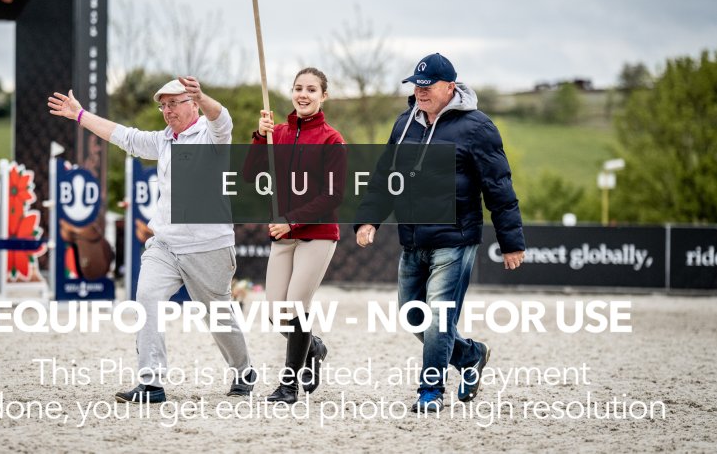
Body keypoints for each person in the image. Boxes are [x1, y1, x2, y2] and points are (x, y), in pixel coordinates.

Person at [48, 76, 255, 404]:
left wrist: (203, 96)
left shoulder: (212, 135)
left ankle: (244, 370)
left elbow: (221, 117)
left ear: (193, 104)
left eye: (174, 104)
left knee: (217, 316)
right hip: (165, 244)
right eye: (163, 106)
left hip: (209, 245)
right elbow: (123, 136)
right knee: (146, 296)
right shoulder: (163, 140)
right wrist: (80, 115)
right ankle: (152, 383)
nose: (167, 111)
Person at [354, 53, 526, 413]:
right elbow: (386, 177)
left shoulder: (477, 128)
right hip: (412, 238)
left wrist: (511, 241)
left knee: (438, 317)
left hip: (455, 238)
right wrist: (369, 219)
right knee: (412, 314)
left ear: (450, 87)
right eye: (416, 85)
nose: (420, 91)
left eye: (428, 86)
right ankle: (470, 354)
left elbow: (499, 187)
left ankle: (430, 391)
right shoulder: (404, 124)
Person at [244, 67, 346, 404]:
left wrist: (292, 221)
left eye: (312, 89)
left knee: (296, 306)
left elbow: (333, 195)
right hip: (283, 235)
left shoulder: (332, 139)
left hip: (317, 234)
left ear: (323, 96)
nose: (303, 94)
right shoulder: (279, 133)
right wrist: (260, 137)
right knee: (277, 314)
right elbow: (249, 173)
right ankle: (313, 347)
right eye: (298, 88)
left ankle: (289, 386)